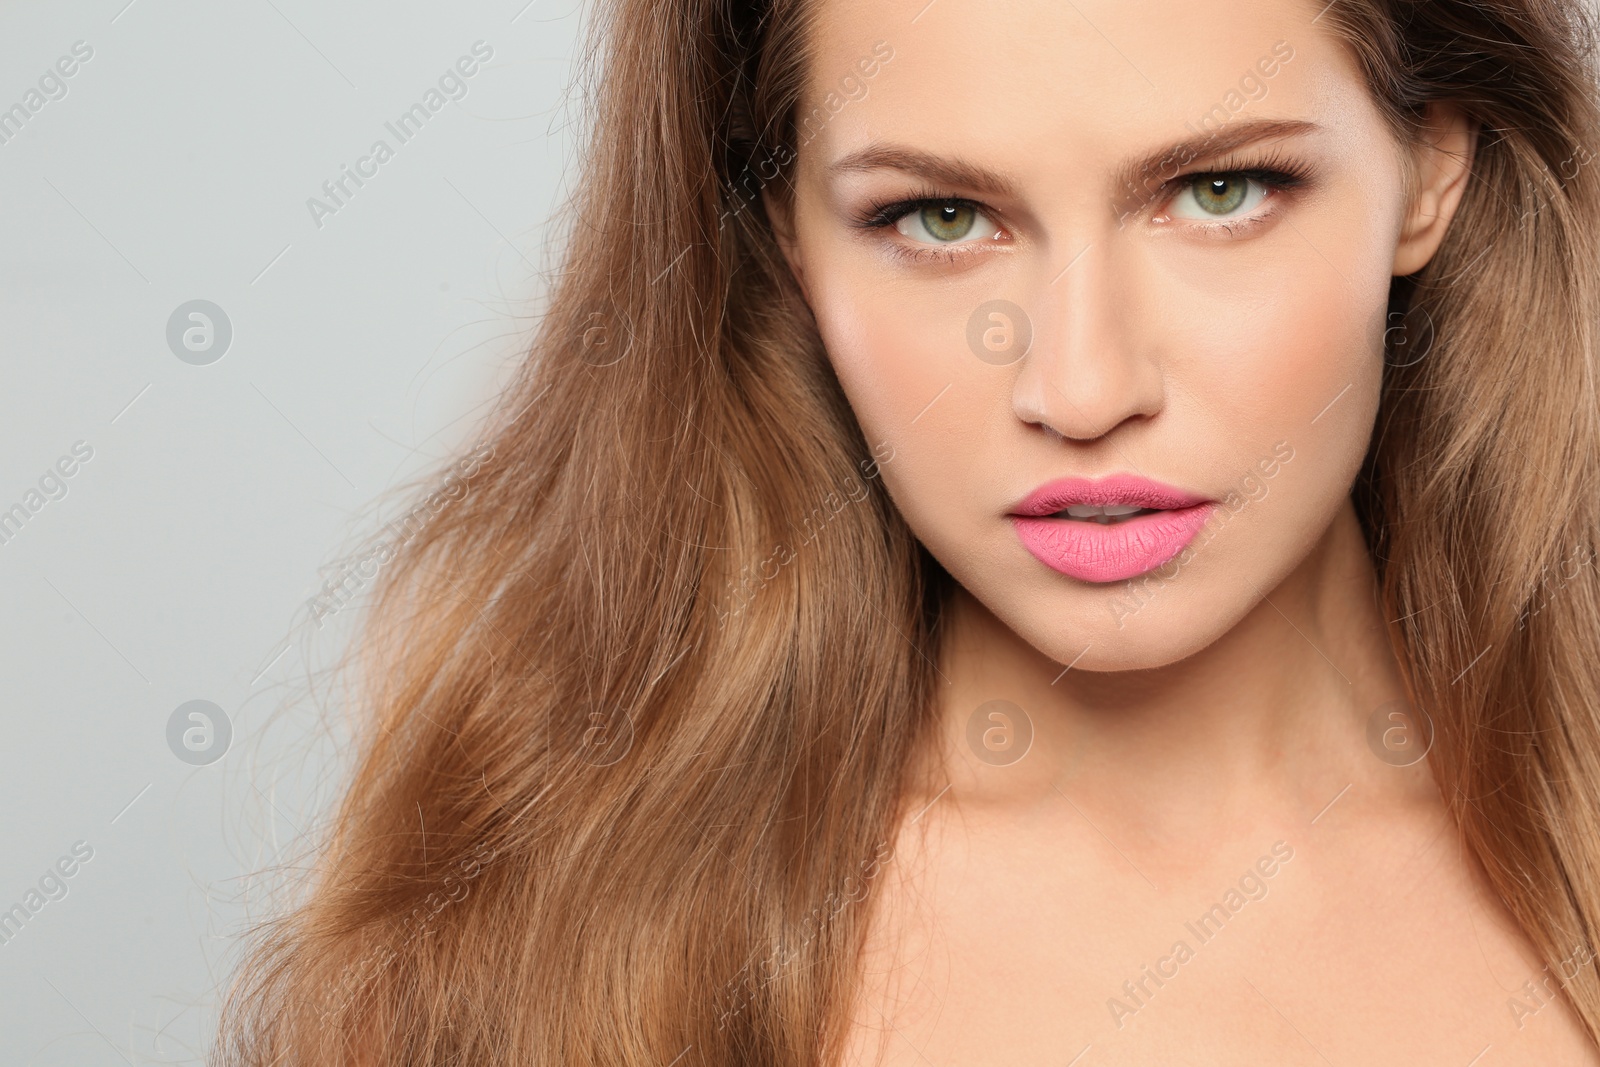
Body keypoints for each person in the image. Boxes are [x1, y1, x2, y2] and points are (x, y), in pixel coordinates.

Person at [217, 0, 1600, 1062]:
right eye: (939, 218)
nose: (1080, 386)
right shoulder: (537, 967)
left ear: (1431, 167)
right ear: (787, 238)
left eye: (1217, 192)